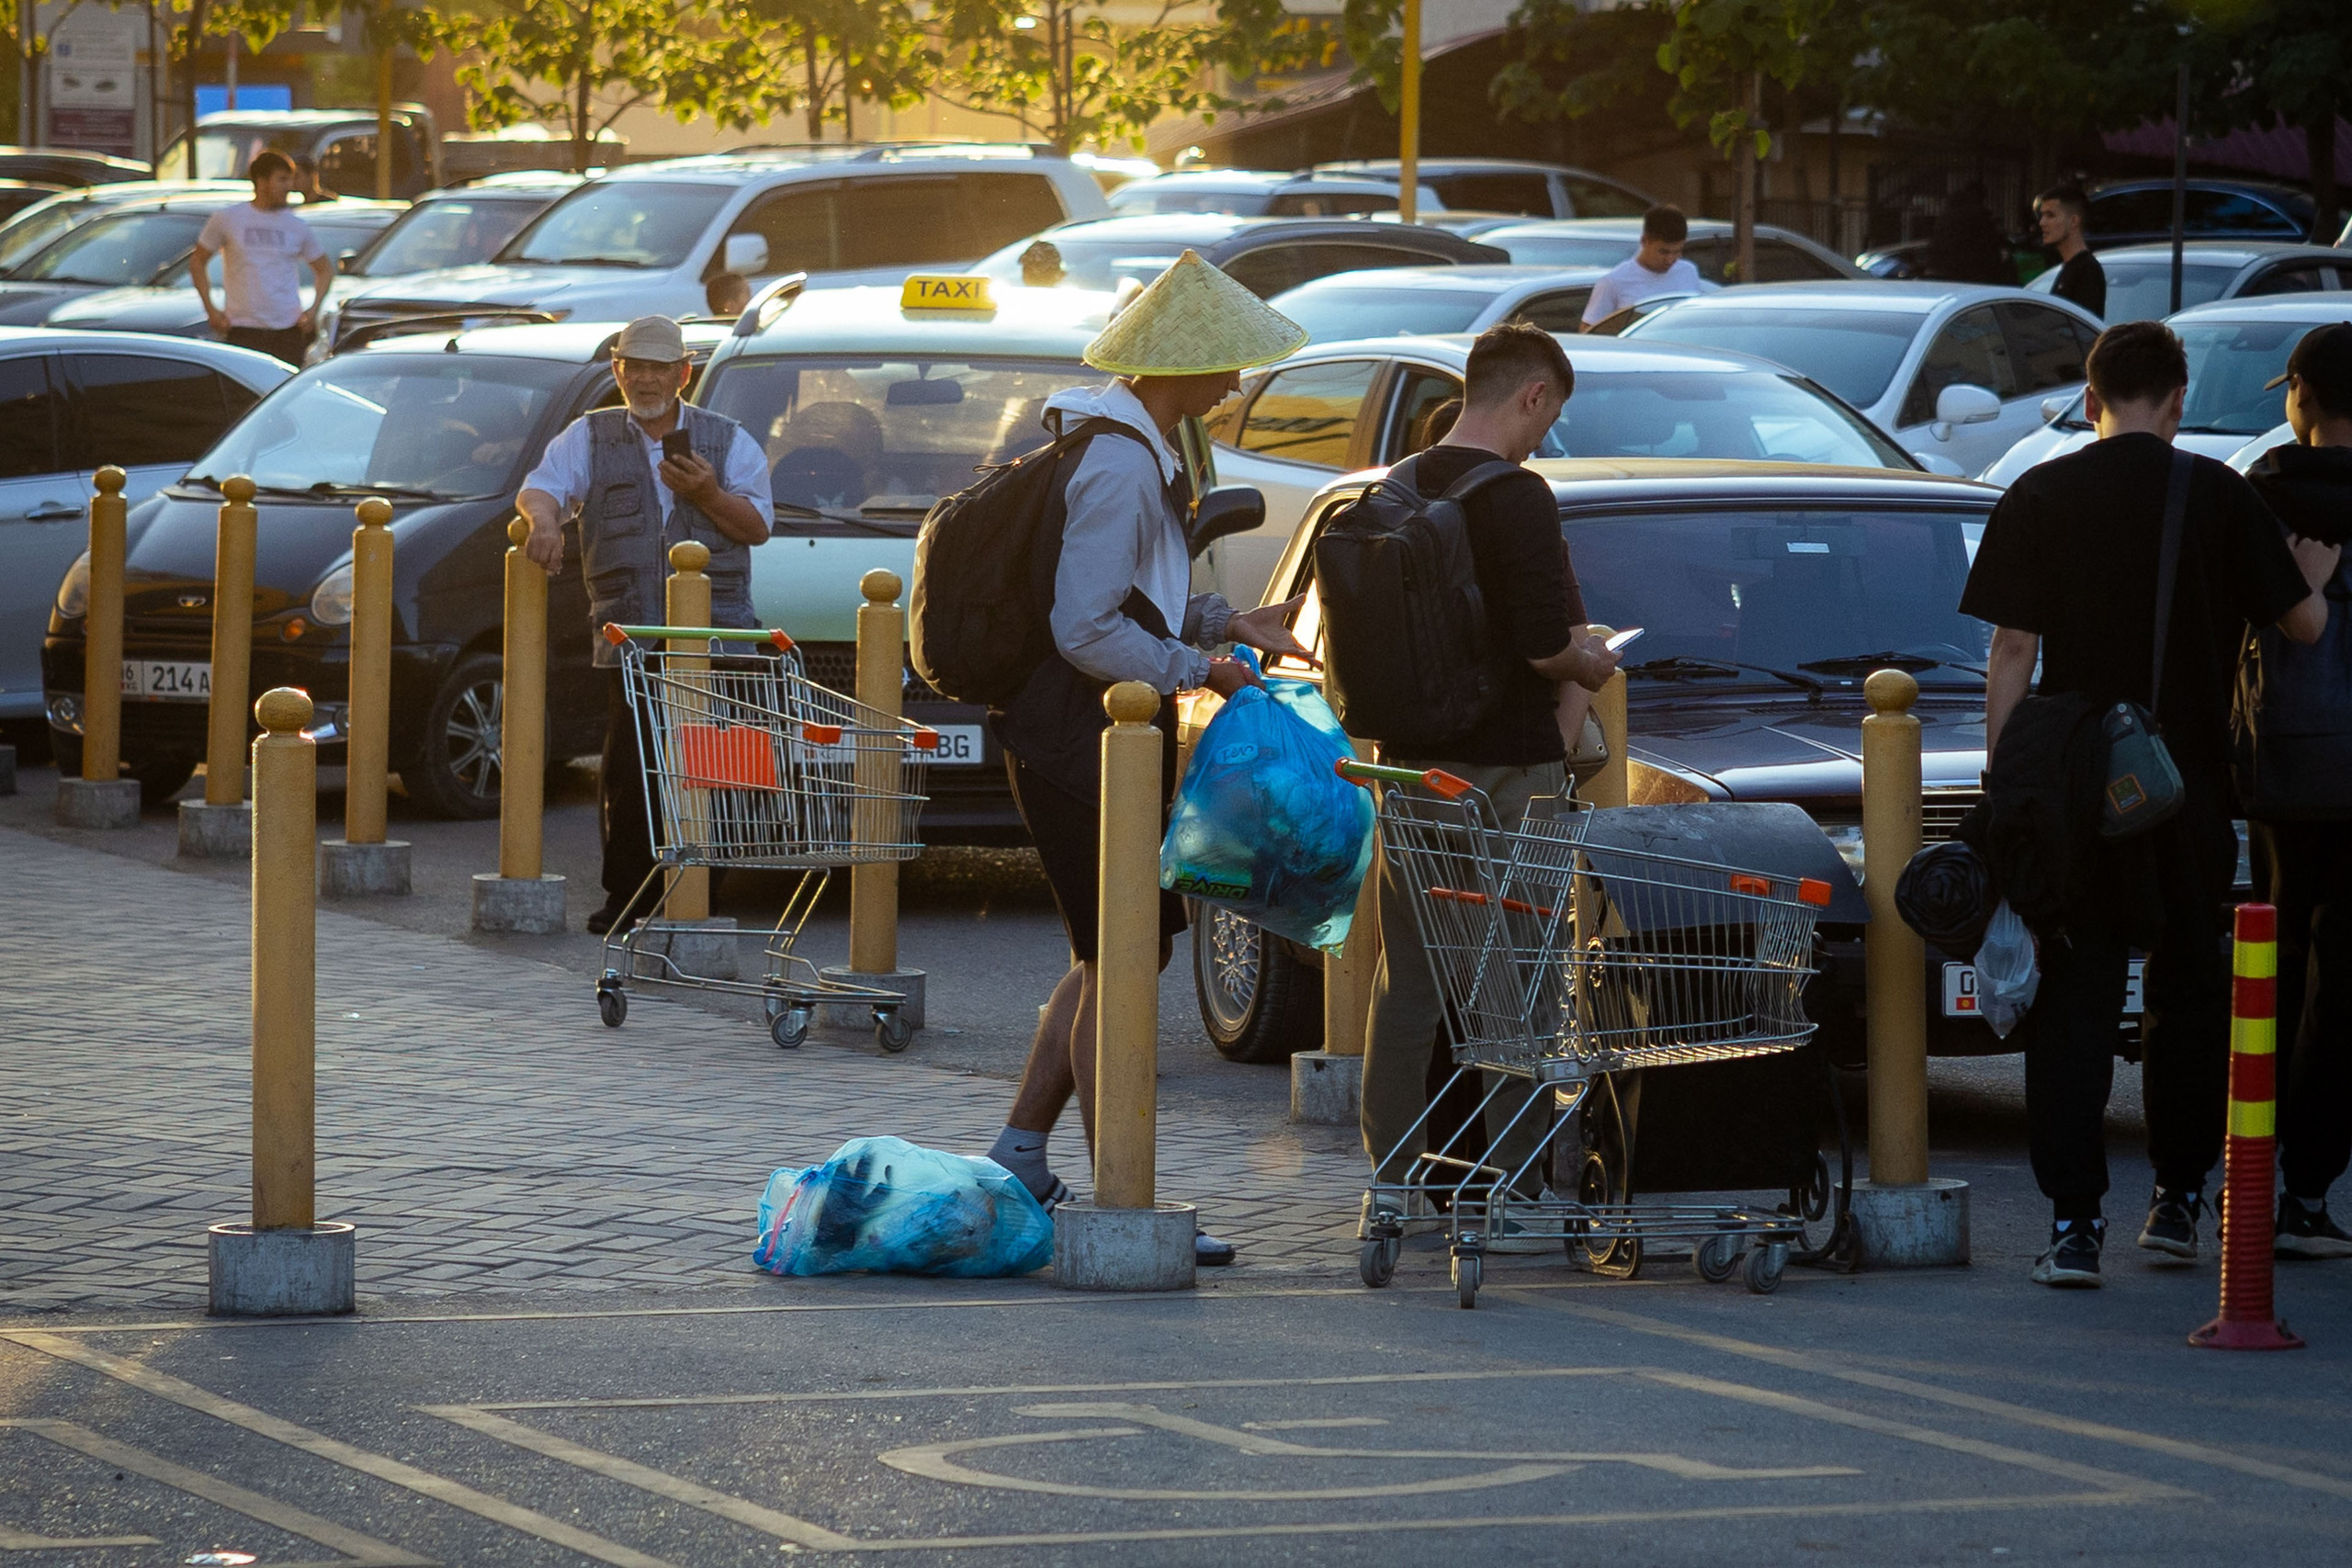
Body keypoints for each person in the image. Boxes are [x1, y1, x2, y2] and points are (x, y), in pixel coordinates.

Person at [1959, 319, 2337, 1289]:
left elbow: (2010, 650)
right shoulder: (2214, 493)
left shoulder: (2038, 492)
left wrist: (2011, 786)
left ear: (2090, 401)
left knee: (2075, 995)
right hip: (2188, 789)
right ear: (2175, 403)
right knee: (2185, 993)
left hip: (2077, 794)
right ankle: (2175, 1202)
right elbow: (2301, 623)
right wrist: (2312, 578)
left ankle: (2073, 1224)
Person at [981, 252, 1312, 1266]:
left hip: (1096, 732)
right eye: (1227, 366)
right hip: (1080, 735)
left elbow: (1133, 601)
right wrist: (1199, 663)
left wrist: (1223, 622)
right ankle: (1120, 1187)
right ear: (1183, 364)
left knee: (1110, 951)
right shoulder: (1123, 461)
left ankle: (1021, 1154)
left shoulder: (1133, 445)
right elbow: (1085, 627)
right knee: (1124, 954)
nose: (1236, 385)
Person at [1353, 321, 1623, 1246]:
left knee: (1412, 975)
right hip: (1509, 770)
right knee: (1522, 975)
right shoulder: (1518, 497)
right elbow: (1544, 643)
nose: (1542, 436)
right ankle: (1503, 1181)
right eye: (1549, 416)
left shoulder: (1393, 486)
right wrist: (1589, 661)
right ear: (1533, 397)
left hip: (1408, 771)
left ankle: (1388, 1181)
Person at [517, 316, 775, 935]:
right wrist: (544, 521)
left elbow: (758, 526)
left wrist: (710, 495)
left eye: (661, 367)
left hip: (717, 637)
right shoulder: (590, 434)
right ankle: (628, 898)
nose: (647, 379)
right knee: (632, 773)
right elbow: (540, 487)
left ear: (684, 373)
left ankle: (701, 893)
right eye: (636, 367)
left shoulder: (727, 439)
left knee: (717, 770)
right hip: (632, 637)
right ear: (618, 370)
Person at [2237, 322, 2352, 1257]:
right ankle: (2309, 1195)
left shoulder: (2264, 491)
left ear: (2304, 396)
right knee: (2340, 985)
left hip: (2283, 763)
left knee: (2265, 974)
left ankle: (2241, 1174)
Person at [192, 150, 334, 365]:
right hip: (243, 330)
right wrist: (211, 310)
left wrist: (314, 310)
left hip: (287, 330)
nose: (290, 186)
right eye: (282, 179)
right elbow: (197, 262)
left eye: (291, 179)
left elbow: (324, 269)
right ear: (262, 181)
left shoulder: (296, 226)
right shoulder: (228, 219)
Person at [1579, 205, 1701, 331]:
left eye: (1677, 252)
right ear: (1645, 241)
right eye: (1663, 252)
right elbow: (1588, 331)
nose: (1670, 259)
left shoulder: (1688, 272)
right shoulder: (1613, 282)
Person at [2036, 185, 2105, 319]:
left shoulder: (2087, 270)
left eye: (2050, 215)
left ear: (2074, 221)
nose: (2042, 223)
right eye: (2042, 215)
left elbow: (2081, 328)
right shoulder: (2069, 267)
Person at [1923, 181, 2010, 285]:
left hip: (1940, 266)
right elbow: (1990, 243)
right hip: (1967, 271)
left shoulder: (1946, 216)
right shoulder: (1978, 216)